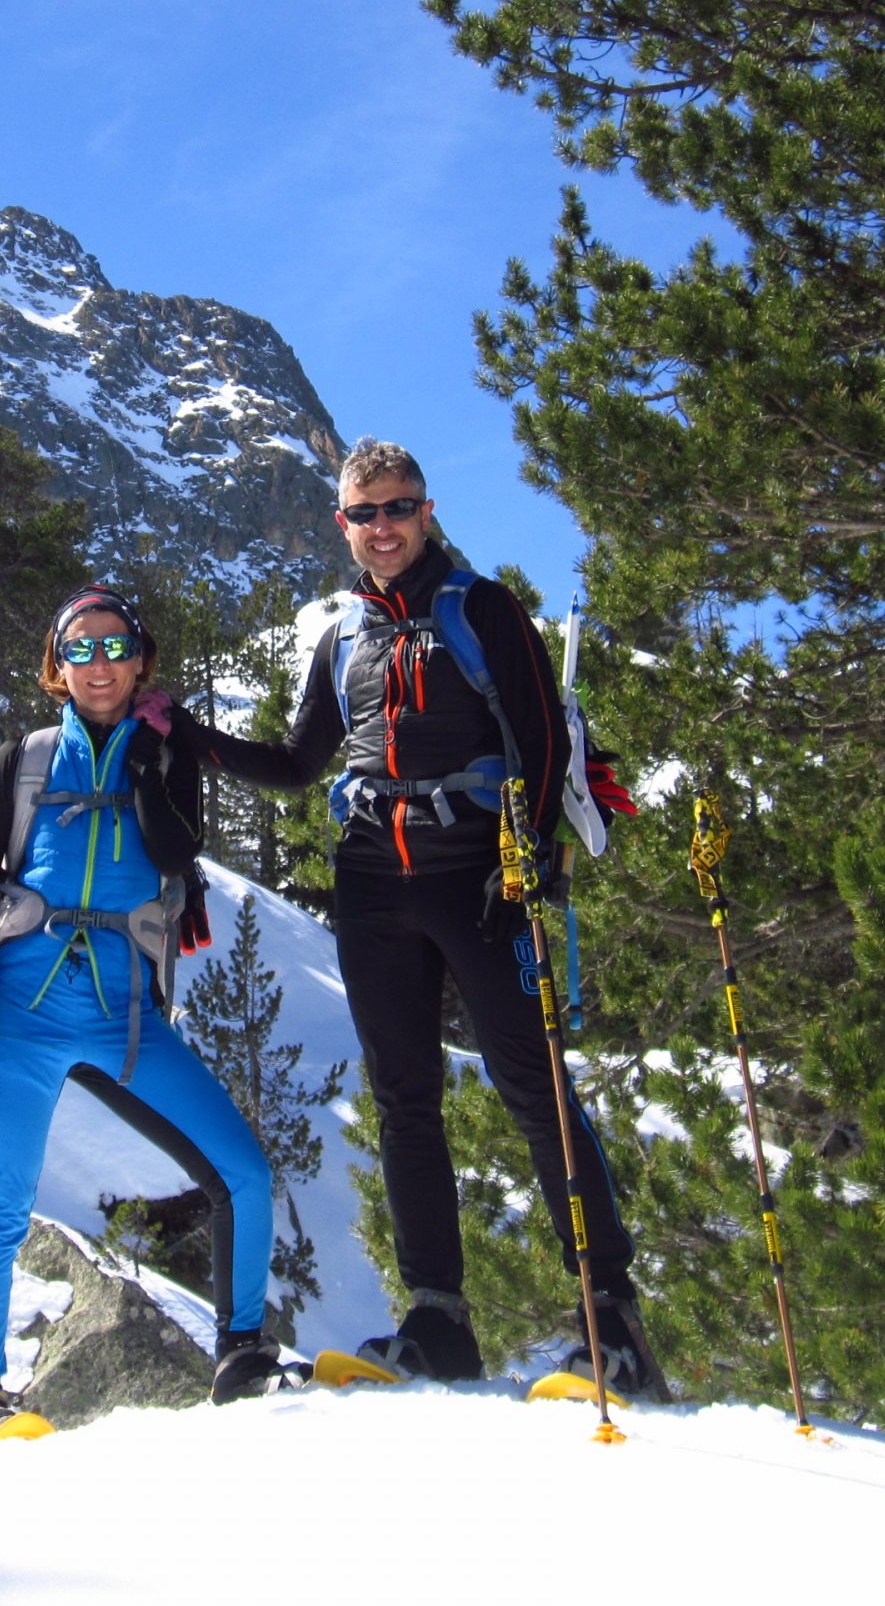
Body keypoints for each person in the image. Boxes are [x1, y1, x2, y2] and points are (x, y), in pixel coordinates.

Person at [165, 439, 656, 1391]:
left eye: (399, 508)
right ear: (342, 524)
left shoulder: (482, 609)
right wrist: (192, 737)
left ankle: (610, 1314)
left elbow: (545, 741)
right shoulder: (341, 634)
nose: (382, 527)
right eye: (364, 514)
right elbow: (305, 765)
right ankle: (437, 1318)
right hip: (371, 883)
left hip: (479, 877)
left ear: (426, 513)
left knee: (533, 1085)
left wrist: (527, 865)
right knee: (402, 1096)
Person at [0, 584, 286, 1443]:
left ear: (142, 660)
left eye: (115, 647)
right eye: (80, 650)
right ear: (57, 668)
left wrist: (145, 772)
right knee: (3, 1204)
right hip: (22, 1014)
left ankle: (242, 1352)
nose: (99, 665)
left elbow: (177, 854)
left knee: (243, 1172)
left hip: (125, 1016)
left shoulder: (166, 759)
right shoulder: (20, 761)